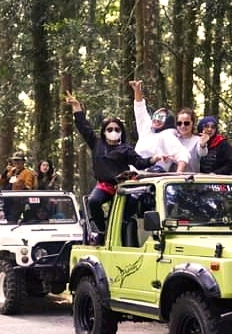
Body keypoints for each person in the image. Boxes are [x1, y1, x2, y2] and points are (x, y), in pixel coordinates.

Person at [66, 91, 162, 233]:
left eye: (117, 129)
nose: (113, 131)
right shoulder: (97, 144)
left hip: (123, 187)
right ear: (104, 131)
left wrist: (153, 159)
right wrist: (76, 108)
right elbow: (84, 127)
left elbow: (140, 163)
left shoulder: (126, 149)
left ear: (121, 132)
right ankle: (101, 230)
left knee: (120, 215)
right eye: (110, 129)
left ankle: (118, 232)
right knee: (93, 202)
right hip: (105, 186)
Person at [129, 80, 189, 173]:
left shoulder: (167, 135)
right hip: (135, 175)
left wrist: (179, 172)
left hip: (153, 178)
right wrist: (137, 90)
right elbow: (140, 109)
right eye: (156, 116)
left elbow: (182, 153)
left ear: (168, 120)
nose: (157, 120)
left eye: (161, 118)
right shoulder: (146, 129)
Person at [175, 108, 207, 173]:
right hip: (170, 179)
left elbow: (202, 153)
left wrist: (202, 144)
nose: (183, 126)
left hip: (191, 179)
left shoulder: (197, 140)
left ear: (193, 123)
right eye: (179, 123)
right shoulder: (173, 139)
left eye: (186, 123)